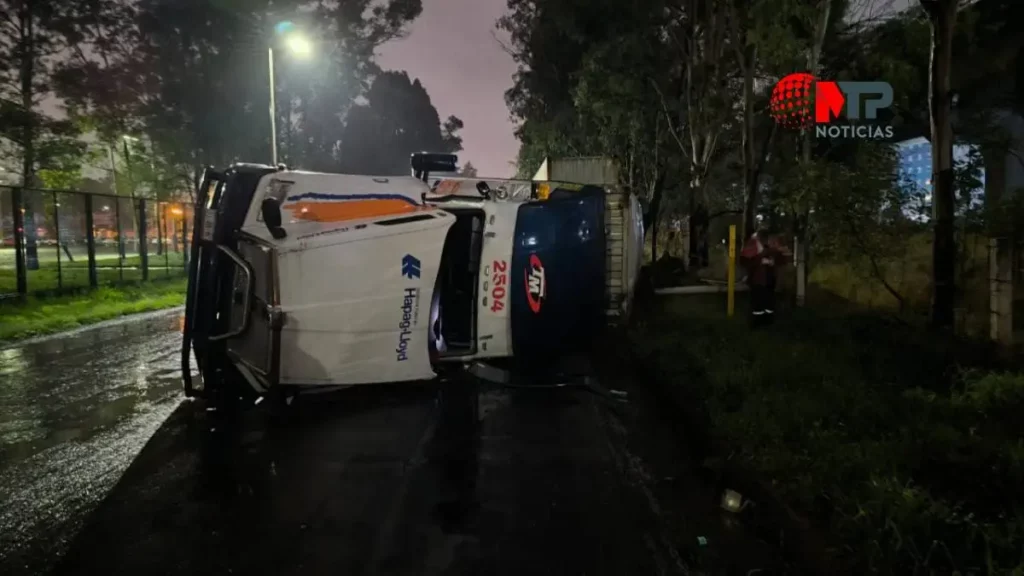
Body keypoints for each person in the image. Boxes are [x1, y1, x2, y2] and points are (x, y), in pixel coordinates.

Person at [740, 225, 790, 326]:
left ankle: (766, 321)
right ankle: (758, 323)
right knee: (758, 303)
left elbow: (781, 259)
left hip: (768, 280)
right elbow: (746, 261)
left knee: (768, 303)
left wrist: (773, 261)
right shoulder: (754, 246)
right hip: (758, 280)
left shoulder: (770, 249)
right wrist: (761, 261)